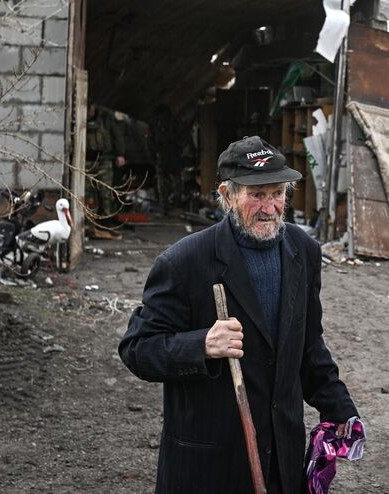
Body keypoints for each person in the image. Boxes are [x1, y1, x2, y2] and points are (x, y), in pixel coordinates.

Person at [118, 135, 360, 494]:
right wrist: (201, 344)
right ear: (228, 195)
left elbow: (308, 346)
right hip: (211, 466)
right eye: (256, 195)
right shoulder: (184, 262)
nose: (269, 207)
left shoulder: (303, 251)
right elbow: (137, 349)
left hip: (280, 459)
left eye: (277, 193)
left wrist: (339, 408)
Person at [86, 102, 126, 237]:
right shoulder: (79, 116)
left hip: (104, 159)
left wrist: (120, 154)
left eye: (89, 110)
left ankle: (106, 221)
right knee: (88, 194)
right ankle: (90, 222)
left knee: (106, 193)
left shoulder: (106, 117)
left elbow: (117, 135)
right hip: (86, 160)